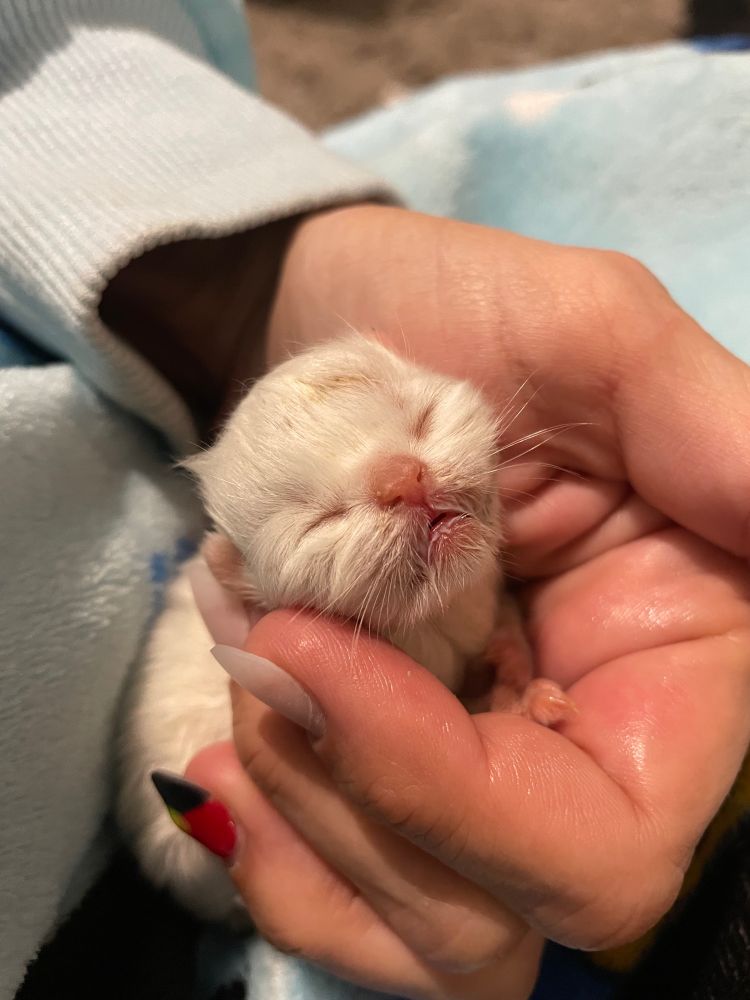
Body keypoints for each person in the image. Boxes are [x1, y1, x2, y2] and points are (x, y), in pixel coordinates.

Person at [2, 3, 750, 1000]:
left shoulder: (486, 548)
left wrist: (250, 278)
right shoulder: (252, 622)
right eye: (318, 522)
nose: (409, 478)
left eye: (430, 410)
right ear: (246, 579)